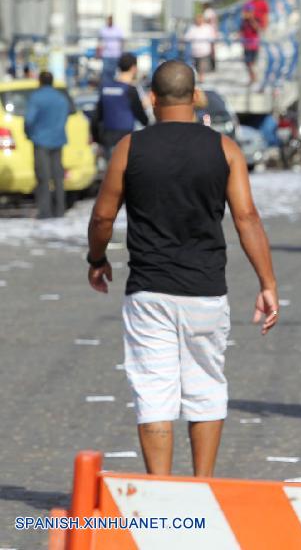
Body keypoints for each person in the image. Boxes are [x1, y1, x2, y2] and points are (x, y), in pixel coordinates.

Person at [86, 60, 279, 477]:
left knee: (154, 391)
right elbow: (247, 218)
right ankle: (200, 486)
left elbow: (102, 217)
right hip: (205, 290)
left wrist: (97, 259)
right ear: (196, 96)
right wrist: (267, 284)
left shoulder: (129, 149)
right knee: (205, 387)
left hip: (149, 290)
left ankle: (160, 491)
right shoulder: (225, 149)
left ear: (152, 99)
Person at [24, 71, 70, 219]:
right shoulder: (61, 98)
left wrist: (28, 133)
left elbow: (29, 119)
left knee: (43, 177)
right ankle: (60, 209)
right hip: (58, 140)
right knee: (58, 177)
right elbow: (65, 116)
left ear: (40, 81)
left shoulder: (36, 97)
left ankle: (45, 211)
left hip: (41, 140)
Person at [92, 52, 150, 164]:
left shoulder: (105, 88)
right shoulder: (130, 90)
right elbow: (143, 118)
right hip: (125, 140)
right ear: (133, 68)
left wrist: (98, 140)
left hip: (107, 139)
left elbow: (96, 117)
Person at [184, 13, 217, 83]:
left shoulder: (208, 28)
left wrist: (212, 49)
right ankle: (200, 78)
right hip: (195, 52)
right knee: (197, 67)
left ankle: (201, 79)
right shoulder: (192, 28)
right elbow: (186, 38)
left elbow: (212, 38)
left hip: (204, 51)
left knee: (201, 67)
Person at [98, 15, 125, 83]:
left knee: (114, 72)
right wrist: (99, 53)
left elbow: (122, 41)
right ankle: (106, 85)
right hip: (106, 54)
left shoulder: (117, 29)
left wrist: (121, 51)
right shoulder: (103, 30)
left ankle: (113, 85)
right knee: (106, 71)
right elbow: (100, 42)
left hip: (116, 54)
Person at [202, 3, 219, 71]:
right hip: (212, 32)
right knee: (212, 50)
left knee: (208, 50)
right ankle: (212, 66)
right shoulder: (212, 12)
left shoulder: (207, 12)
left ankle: (211, 66)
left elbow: (208, 20)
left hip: (209, 32)